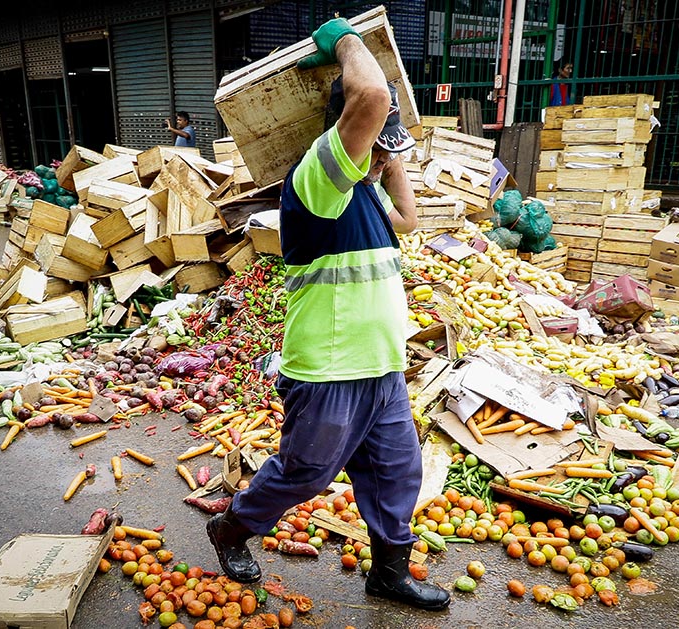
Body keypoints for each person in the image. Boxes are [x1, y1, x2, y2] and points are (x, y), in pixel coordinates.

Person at [205, 17, 450, 612]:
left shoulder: (361, 191)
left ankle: (388, 572)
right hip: (329, 370)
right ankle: (232, 527)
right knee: (305, 475)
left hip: (382, 370)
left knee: (397, 474)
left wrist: (392, 164)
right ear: (348, 134)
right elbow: (370, 95)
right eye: (376, 143)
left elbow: (408, 220)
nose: (380, 155)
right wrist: (344, 39)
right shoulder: (314, 179)